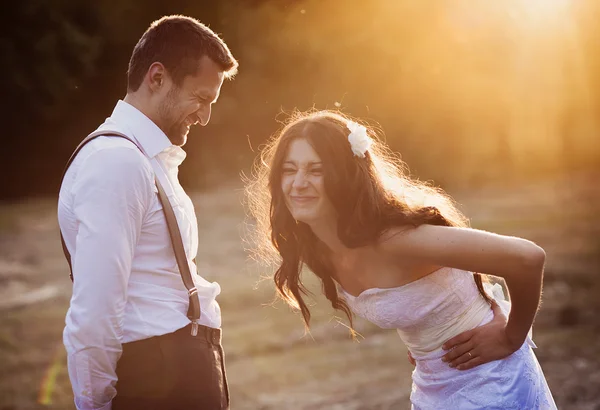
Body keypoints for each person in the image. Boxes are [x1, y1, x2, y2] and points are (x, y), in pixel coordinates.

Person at [244, 110, 557, 409]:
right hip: (431, 387)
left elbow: (527, 258)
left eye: (316, 170)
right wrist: (428, 342)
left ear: (345, 177)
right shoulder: (320, 247)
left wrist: (511, 336)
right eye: (289, 169)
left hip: (491, 382)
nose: (298, 183)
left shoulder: (396, 240)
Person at [58, 15, 238, 410]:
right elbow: (95, 309)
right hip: (155, 379)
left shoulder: (145, 159)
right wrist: (95, 404)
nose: (205, 117)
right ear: (157, 78)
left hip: (177, 371)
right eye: (201, 98)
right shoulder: (115, 162)